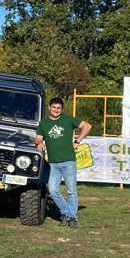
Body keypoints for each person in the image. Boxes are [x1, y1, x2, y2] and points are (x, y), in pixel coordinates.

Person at [34, 97, 92, 227]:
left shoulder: (68, 120)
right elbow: (38, 139)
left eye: (59, 108)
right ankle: (66, 213)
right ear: (49, 108)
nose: (56, 110)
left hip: (68, 162)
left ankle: (72, 218)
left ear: (62, 109)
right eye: (54, 107)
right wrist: (39, 144)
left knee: (71, 190)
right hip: (53, 163)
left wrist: (78, 141)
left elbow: (87, 126)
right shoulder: (44, 123)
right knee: (53, 190)